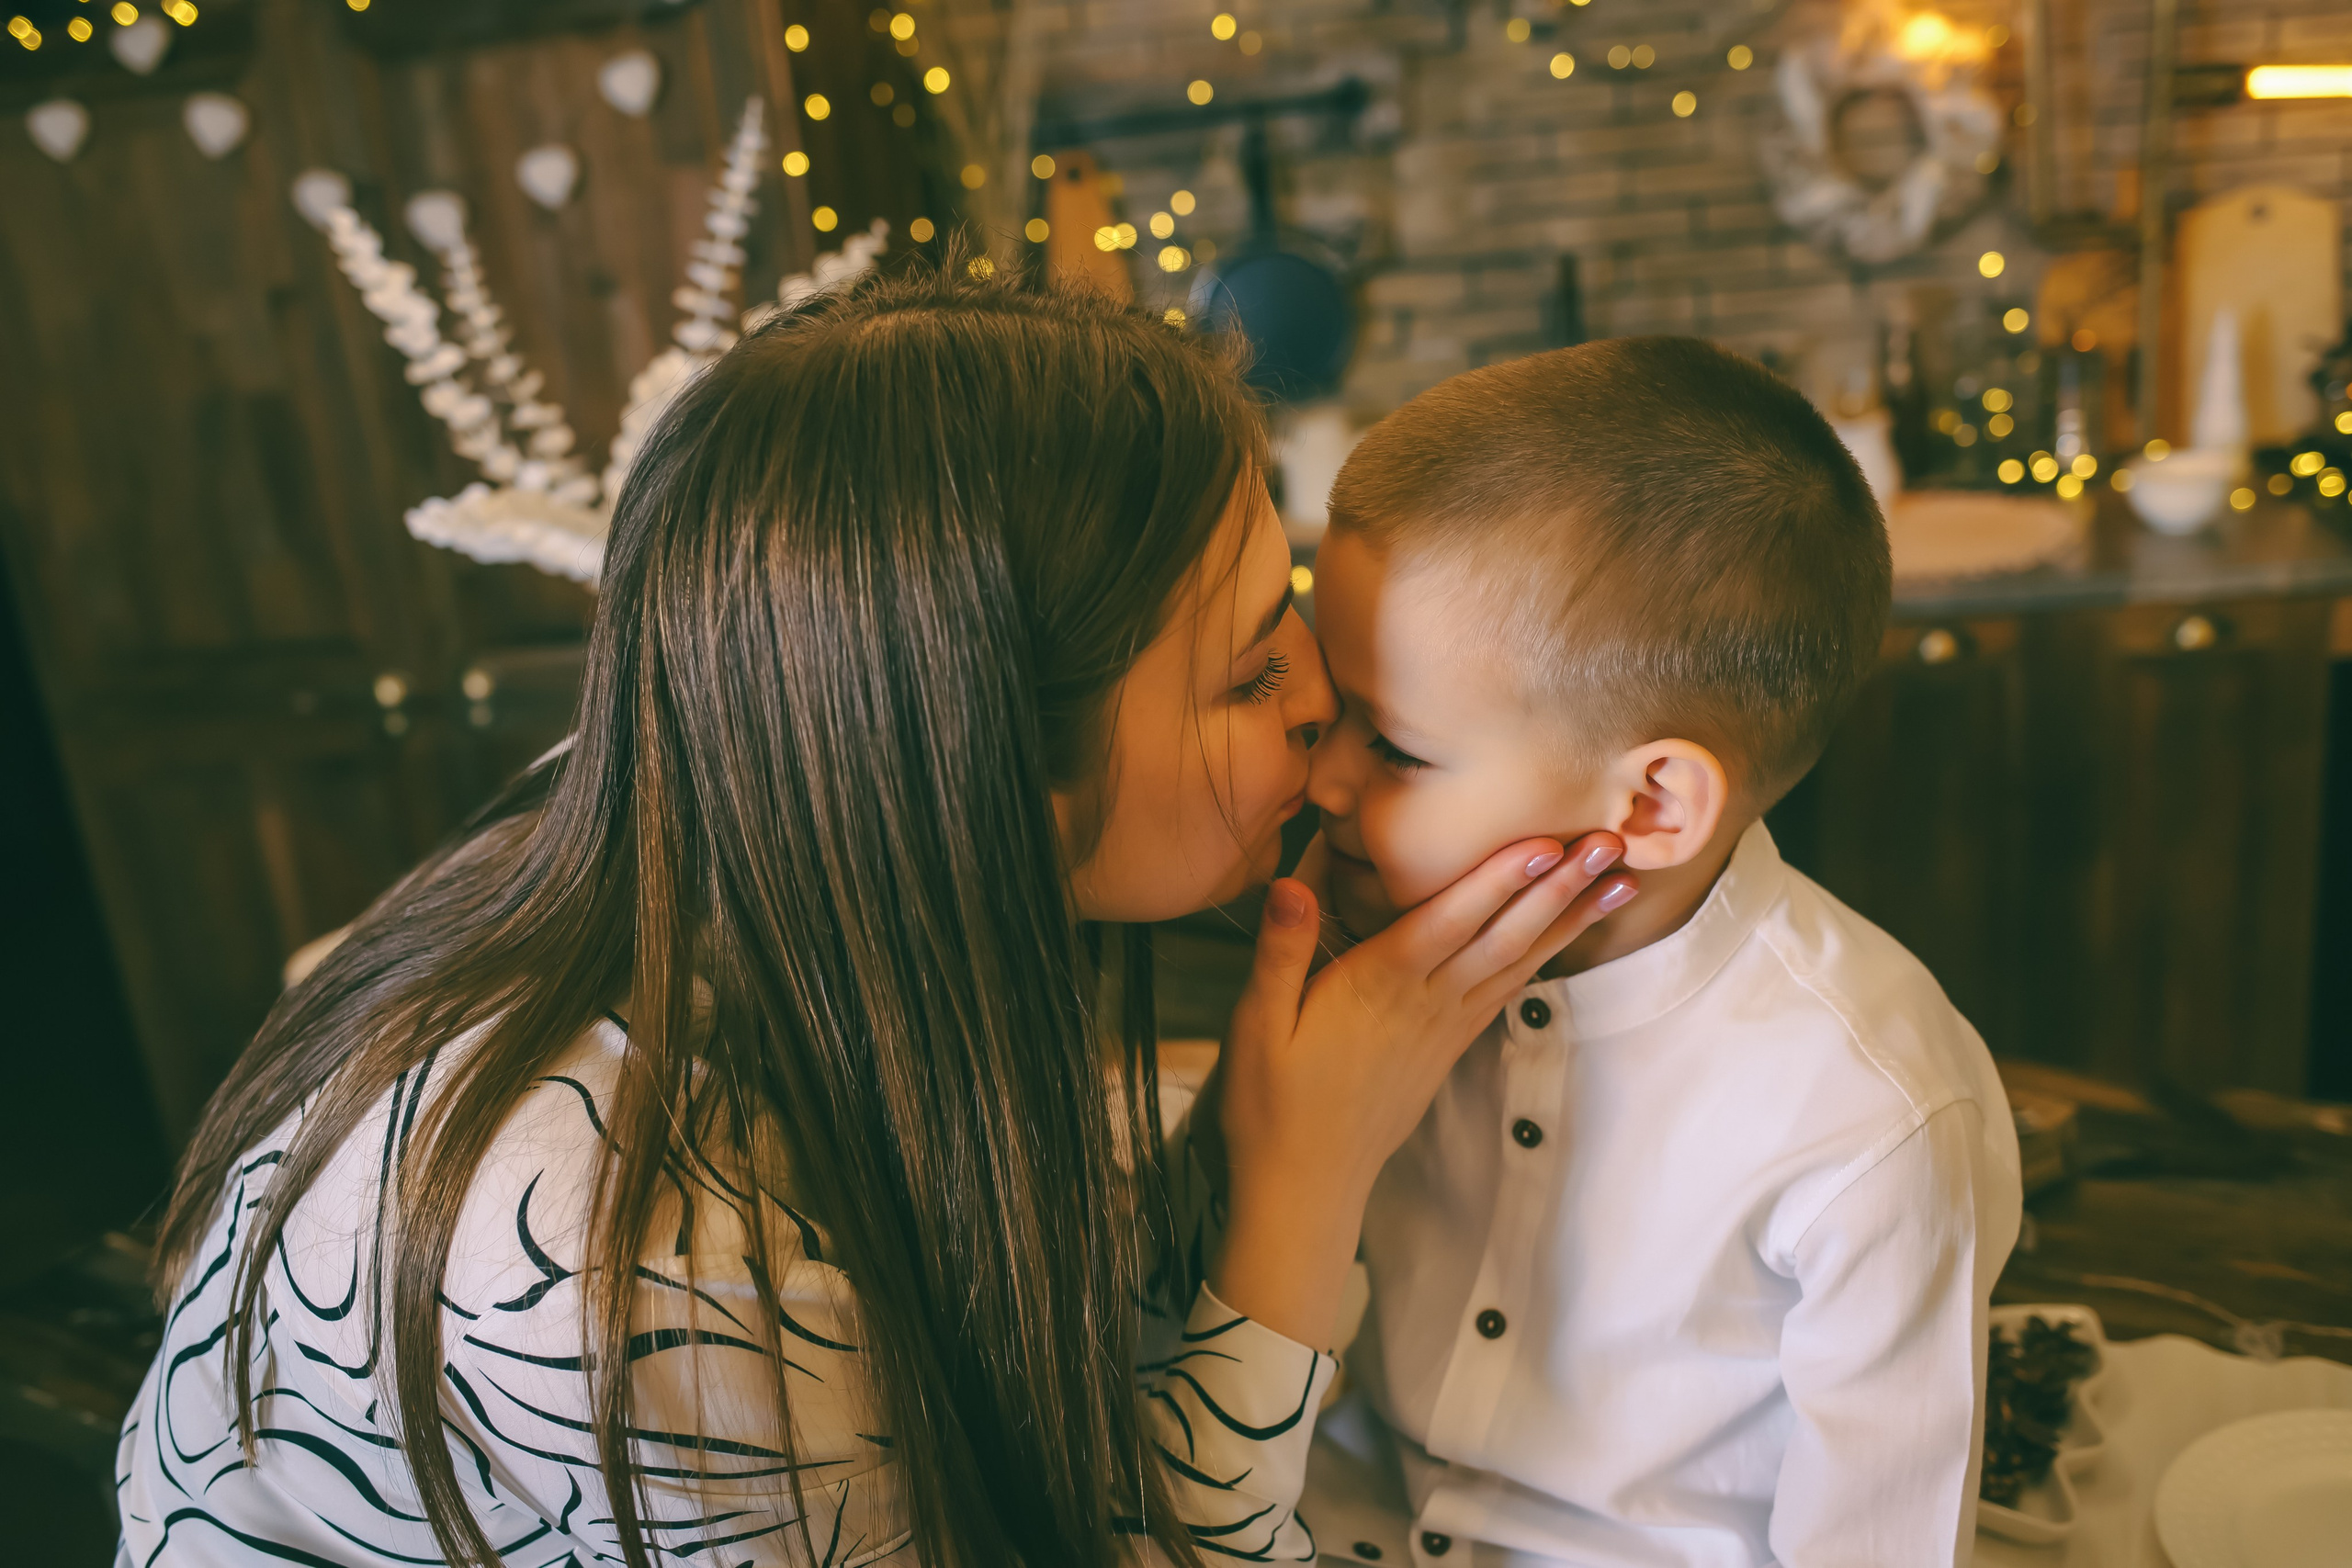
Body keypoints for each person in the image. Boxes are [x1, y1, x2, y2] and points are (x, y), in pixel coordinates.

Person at [116, 269, 1637, 1568]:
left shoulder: (703, 804)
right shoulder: (641, 1268)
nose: (1321, 695)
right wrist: (1303, 1182)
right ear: (989, 778)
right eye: (1248, 675)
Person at [1300, 337, 2024, 1567]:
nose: (1319, 780)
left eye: (1398, 749)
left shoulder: (1871, 1120)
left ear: (1648, 810)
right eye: (1334, 714)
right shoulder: (1366, 956)